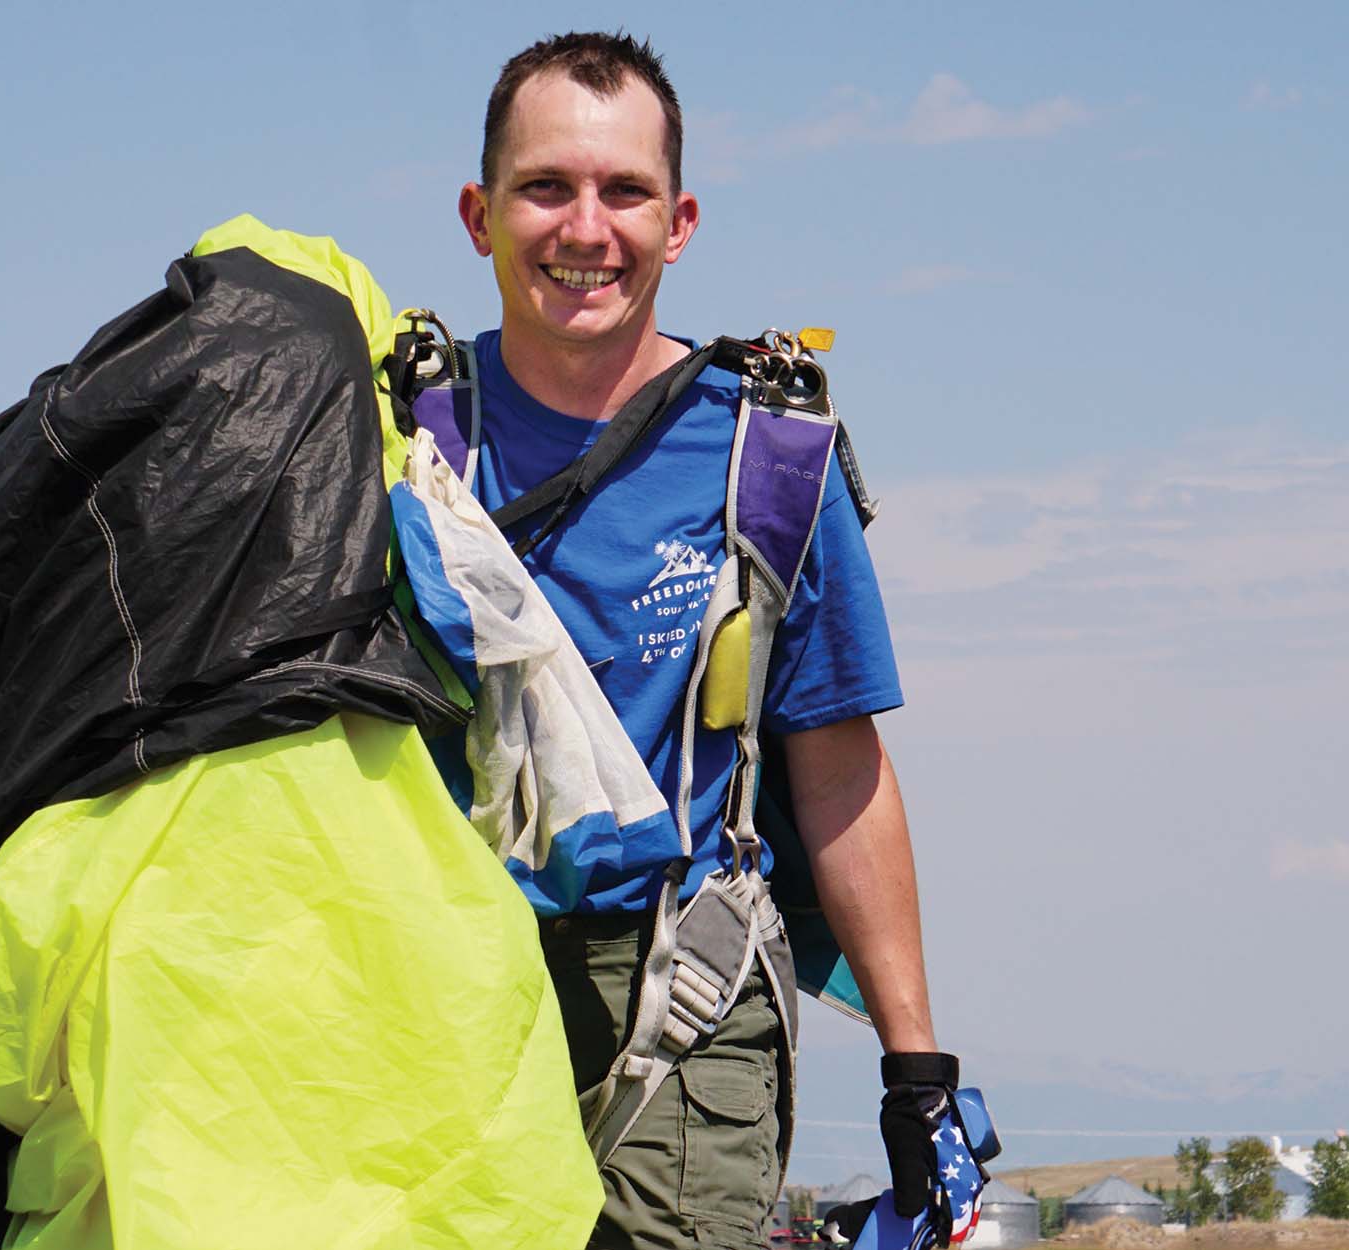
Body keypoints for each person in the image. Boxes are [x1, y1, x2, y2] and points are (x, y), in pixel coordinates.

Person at [449, 32, 966, 1250]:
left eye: (623, 191)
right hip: (440, 975)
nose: (586, 228)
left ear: (677, 223)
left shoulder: (767, 454)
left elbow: (834, 763)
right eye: (545, 188)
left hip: (682, 993)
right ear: (480, 214)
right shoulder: (402, 435)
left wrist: (915, 1066)